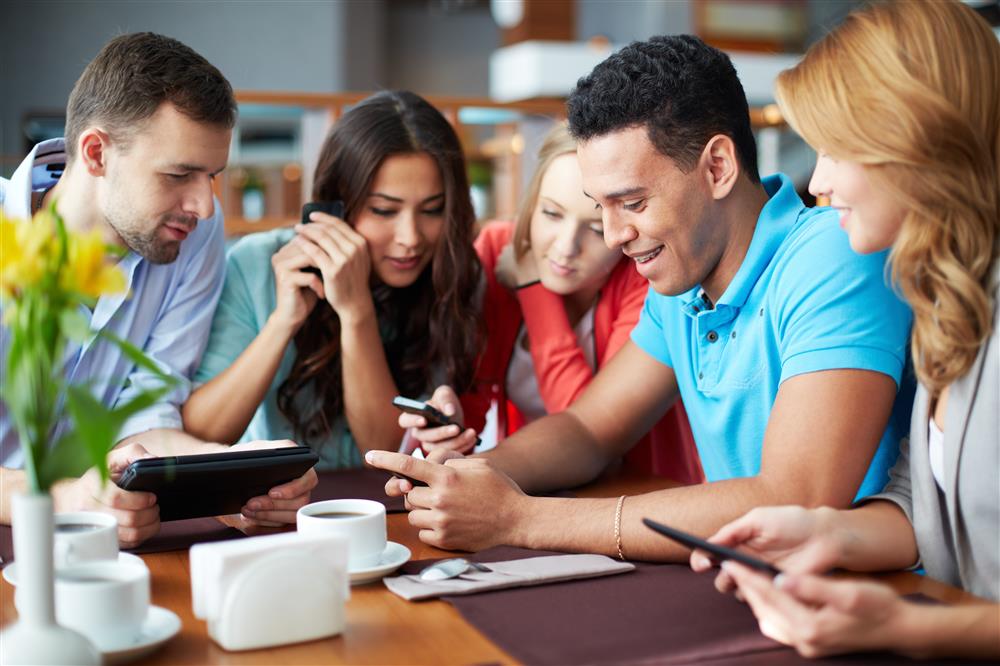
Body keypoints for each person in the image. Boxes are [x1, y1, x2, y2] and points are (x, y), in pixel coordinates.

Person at [366, 34, 913, 560]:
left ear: (717, 167)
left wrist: (520, 520)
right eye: (600, 205)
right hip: (763, 587)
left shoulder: (832, 251)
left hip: (873, 603)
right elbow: (588, 429)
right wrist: (474, 475)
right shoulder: (684, 280)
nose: (612, 234)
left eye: (632, 202)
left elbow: (795, 497)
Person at [690, 1, 999, 659]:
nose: (819, 180)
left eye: (836, 149)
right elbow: (924, 497)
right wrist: (824, 533)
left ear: (915, 139)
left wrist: (906, 627)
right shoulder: (947, 296)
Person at [0, 33, 316, 547]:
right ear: (97, 153)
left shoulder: (190, 236)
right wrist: (65, 500)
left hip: (97, 542)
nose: (206, 206)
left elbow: (148, 417)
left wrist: (243, 471)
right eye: (179, 174)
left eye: (212, 176)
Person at [182, 91, 482, 473]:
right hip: (276, 508)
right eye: (384, 210)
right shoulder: (256, 264)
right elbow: (203, 433)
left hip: (384, 508)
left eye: (432, 209)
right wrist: (284, 321)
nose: (410, 237)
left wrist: (356, 311)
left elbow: (383, 448)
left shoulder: (452, 273)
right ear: (335, 204)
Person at [402, 123, 702, 483]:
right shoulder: (499, 248)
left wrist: (533, 287)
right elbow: (476, 398)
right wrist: (452, 423)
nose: (565, 247)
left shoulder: (645, 276)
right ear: (530, 204)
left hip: (638, 491)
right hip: (531, 484)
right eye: (551, 214)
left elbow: (590, 433)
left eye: (593, 228)